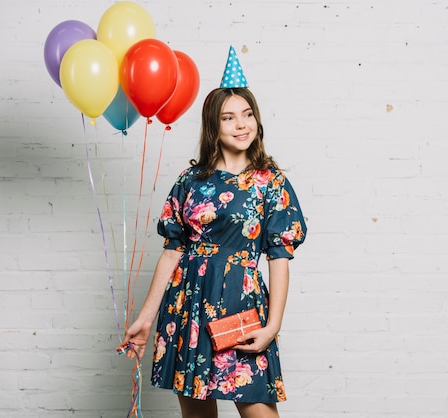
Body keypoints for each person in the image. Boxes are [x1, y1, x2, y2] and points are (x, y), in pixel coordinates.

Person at [120, 47, 307, 418]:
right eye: (229, 118)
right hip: (186, 305)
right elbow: (172, 251)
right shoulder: (191, 181)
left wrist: (272, 327)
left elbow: (279, 258)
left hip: (240, 308)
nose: (241, 125)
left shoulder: (271, 183)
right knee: (197, 416)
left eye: (248, 114)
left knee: (258, 410)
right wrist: (144, 317)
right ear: (213, 127)